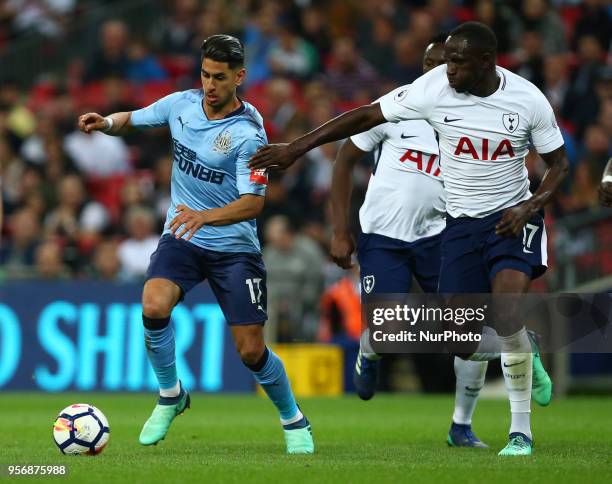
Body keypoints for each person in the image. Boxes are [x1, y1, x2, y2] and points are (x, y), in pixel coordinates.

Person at [250, 22, 565, 456]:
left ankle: (517, 432)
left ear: (487, 62)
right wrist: (296, 149)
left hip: (507, 219)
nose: (447, 70)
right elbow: (362, 118)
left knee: (507, 312)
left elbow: (559, 163)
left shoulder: (527, 100)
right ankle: (518, 347)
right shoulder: (429, 92)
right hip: (447, 227)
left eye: (457, 62)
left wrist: (530, 207)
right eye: (443, 61)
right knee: (458, 340)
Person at [77, 34, 314, 454]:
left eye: (219, 78)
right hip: (182, 237)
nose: (209, 84)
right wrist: (106, 123)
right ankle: (171, 395)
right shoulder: (181, 104)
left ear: (239, 77)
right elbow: (134, 118)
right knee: (153, 304)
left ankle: (293, 419)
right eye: (205, 74)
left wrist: (205, 215)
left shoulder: (248, 135)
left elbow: (252, 204)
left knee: (250, 351)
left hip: (234, 249)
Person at [331, 34, 490, 448]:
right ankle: (370, 350)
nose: (434, 71)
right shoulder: (395, 107)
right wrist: (340, 230)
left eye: (442, 64)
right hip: (384, 235)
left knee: (467, 330)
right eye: (428, 63)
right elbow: (345, 159)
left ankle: (461, 426)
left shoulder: (473, 119)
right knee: (389, 329)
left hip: (439, 236)